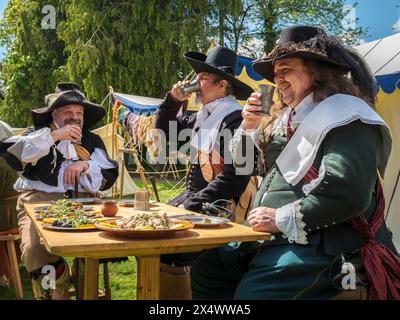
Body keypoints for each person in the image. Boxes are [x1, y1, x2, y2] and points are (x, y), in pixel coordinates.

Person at [191, 26, 399, 300]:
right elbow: (242, 167)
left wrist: (280, 217)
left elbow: (347, 192)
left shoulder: (349, 114)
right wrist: (249, 126)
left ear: (316, 71)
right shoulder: (282, 121)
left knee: (253, 295)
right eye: (276, 73)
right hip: (274, 238)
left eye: (285, 69)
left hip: (326, 243)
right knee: (208, 268)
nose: (278, 79)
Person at [0, 82, 119, 299]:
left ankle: (86, 283)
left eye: (79, 112)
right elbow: (11, 153)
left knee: (95, 243)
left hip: (85, 201)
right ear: (54, 114)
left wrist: (85, 165)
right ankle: (60, 281)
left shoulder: (92, 139)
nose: (75, 117)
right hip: (38, 201)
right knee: (34, 250)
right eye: (68, 112)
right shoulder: (37, 135)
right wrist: (55, 136)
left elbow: (109, 171)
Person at [155, 46, 254, 299]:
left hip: (226, 205)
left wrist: (192, 204)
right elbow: (165, 131)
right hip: (201, 200)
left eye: (202, 79)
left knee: (170, 247)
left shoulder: (236, 120)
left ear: (222, 85)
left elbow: (236, 177)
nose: (195, 84)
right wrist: (173, 100)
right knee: (155, 238)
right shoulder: (203, 116)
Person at [0, 120, 20, 287]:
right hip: (15, 213)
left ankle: (6, 276)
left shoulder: (1, 164)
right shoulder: (11, 160)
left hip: (6, 218)